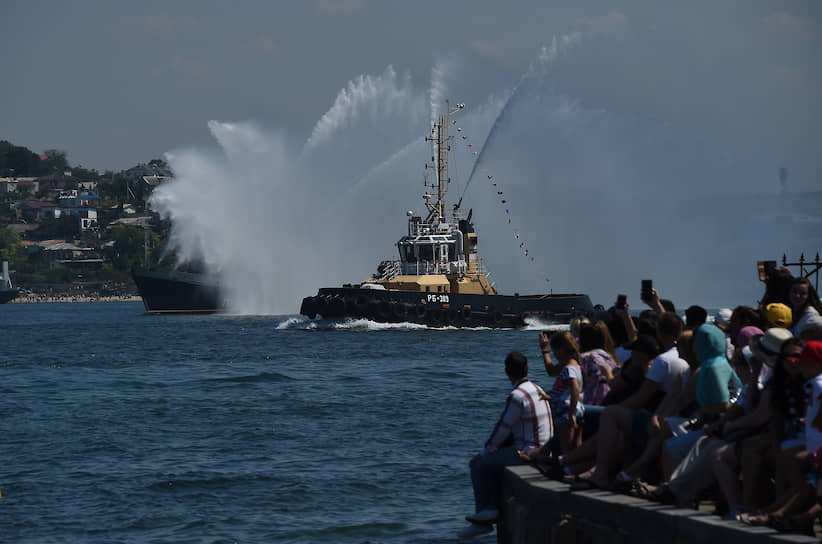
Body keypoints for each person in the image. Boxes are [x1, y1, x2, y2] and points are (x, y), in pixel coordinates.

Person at [458, 351, 553, 539]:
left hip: (529, 453)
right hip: (546, 450)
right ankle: (490, 509)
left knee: (480, 467)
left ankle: (484, 517)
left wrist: (483, 453)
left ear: (507, 372)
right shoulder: (537, 388)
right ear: (527, 368)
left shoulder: (517, 396)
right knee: (496, 461)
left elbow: (502, 429)